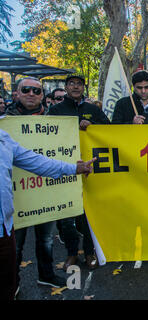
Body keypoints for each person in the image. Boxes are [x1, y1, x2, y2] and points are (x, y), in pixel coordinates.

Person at [0, 128, 96, 300]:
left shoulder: (3, 139)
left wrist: (75, 168)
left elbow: (38, 162)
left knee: (8, 283)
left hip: (4, 229)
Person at [4, 77, 69, 289]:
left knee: (46, 239)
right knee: (15, 244)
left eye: (37, 91)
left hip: (46, 192)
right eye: (26, 90)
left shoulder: (55, 120)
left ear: (42, 95)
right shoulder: (4, 124)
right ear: (17, 93)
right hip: (16, 196)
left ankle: (47, 275)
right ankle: (14, 284)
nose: (31, 94)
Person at [47, 74, 109, 270]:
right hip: (65, 169)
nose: (75, 87)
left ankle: (90, 252)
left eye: (79, 84)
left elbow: (110, 131)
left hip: (90, 170)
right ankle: (72, 254)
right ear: (66, 87)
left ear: (84, 88)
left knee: (88, 216)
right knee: (67, 218)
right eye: (71, 84)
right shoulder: (55, 111)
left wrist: (93, 127)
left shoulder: (93, 110)